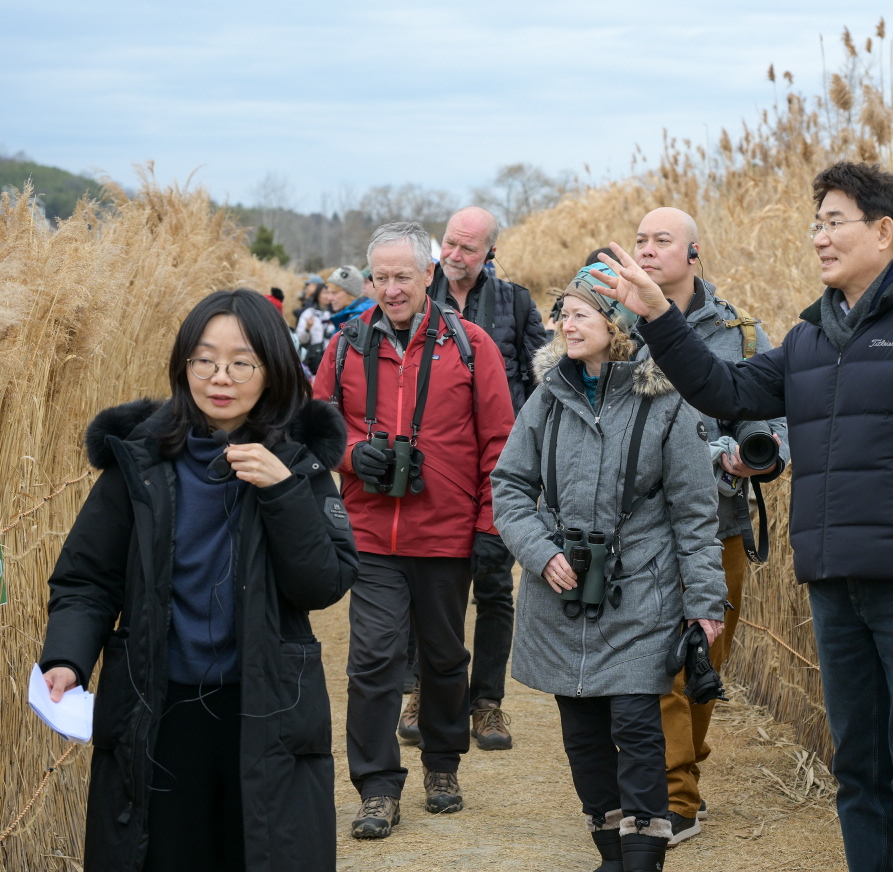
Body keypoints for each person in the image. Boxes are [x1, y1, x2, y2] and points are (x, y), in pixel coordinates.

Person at [592, 162, 893, 872]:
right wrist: (659, 316)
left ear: (884, 231)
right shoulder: (810, 338)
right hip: (833, 583)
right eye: (816, 223)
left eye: (833, 222)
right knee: (858, 771)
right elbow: (723, 387)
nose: (818, 237)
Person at [38, 289, 358, 872]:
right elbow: (87, 577)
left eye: (242, 362)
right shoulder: (138, 460)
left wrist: (283, 490)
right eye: (204, 359)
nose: (220, 377)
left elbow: (324, 583)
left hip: (265, 710)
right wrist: (67, 657)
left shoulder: (296, 462)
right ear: (183, 365)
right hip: (157, 711)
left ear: (272, 371)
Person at [491, 265, 727, 872]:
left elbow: (695, 513)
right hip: (562, 595)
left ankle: (643, 859)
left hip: (641, 594)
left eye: (579, 313)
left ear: (616, 324)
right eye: (562, 312)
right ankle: (611, 855)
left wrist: (704, 603)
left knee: (636, 724)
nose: (565, 324)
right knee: (583, 734)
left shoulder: (665, 400)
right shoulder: (548, 398)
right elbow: (510, 488)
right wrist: (542, 554)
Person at [311, 221, 515, 840]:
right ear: (368, 279)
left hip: (447, 531)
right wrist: (352, 455)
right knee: (371, 660)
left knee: (445, 656)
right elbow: (315, 427)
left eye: (404, 275)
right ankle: (376, 788)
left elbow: (500, 444)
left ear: (429, 275)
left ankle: (442, 765)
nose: (392, 288)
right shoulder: (345, 344)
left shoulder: (472, 344)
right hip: (371, 532)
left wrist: (489, 528)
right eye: (381, 277)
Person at [626, 207, 790, 847]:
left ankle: (681, 764)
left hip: (722, 523)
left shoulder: (740, 334)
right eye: (640, 239)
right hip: (639, 528)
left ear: (694, 255)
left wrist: (759, 452)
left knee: (704, 660)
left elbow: (778, 417)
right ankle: (675, 797)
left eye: (661, 240)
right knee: (658, 664)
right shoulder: (615, 325)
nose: (647, 249)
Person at [396, 205, 545, 752]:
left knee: (494, 586)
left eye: (468, 249)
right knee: (426, 585)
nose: (455, 258)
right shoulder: (417, 294)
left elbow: (542, 375)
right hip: (429, 468)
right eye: (450, 246)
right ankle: (419, 692)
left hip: (501, 467)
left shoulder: (517, 303)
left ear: (491, 254)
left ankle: (487, 704)